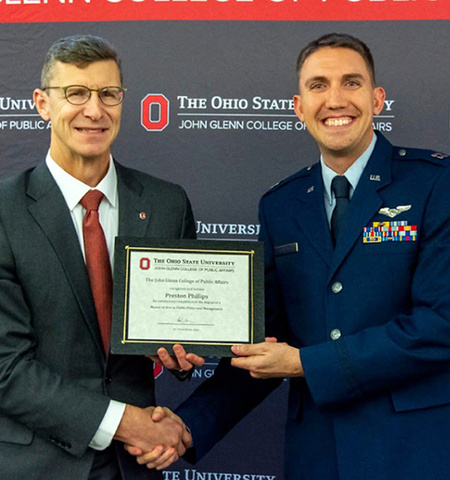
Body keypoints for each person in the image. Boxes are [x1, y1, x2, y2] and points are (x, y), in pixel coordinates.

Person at [138, 33, 450, 479]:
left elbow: (440, 326)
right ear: (298, 107)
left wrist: (305, 363)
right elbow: (267, 343)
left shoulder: (435, 184)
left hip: (415, 452)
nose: (335, 99)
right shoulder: (282, 205)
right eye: (318, 85)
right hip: (316, 455)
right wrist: (189, 425)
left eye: (352, 83)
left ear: (378, 99)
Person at [0, 34, 203, 480]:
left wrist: (181, 354)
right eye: (76, 93)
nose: (95, 110)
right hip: (35, 465)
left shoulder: (167, 203)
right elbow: (6, 367)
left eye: (109, 94)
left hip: (138, 466)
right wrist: (126, 423)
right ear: (42, 103)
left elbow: (182, 328)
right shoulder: (4, 211)